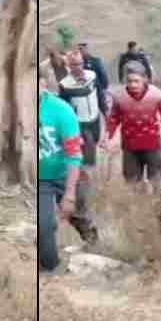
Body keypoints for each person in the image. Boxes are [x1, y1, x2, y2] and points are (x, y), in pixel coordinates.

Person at [104, 61, 161, 194]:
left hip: (152, 145)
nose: (132, 85)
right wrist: (107, 136)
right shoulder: (120, 97)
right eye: (129, 81)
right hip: (130, 147)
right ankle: (139, 207)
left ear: (145, 79)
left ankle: (156, 208)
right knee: (132, 183)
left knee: (158, 182)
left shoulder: (156, 95)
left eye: (136, 81)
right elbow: (114, 119)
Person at [37, 73, 85, 274]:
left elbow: (74, 154)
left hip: (66, 174)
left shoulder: (61, 110)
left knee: (82, 217)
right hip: (41, 180)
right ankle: (50, 268)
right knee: (45, 224)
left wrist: (69, 193)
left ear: (43, 83)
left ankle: (98, 251)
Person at [56, 49, 105, 246]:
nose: (78, 68)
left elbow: (100, 98)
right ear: (68, 66)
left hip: (94, 123)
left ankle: (86, 193)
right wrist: (75, 134)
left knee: (90, 165)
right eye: (73, 65)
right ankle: (82, 199)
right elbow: (66, 112)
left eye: (80, 63)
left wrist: (107, 124)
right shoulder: (65, 85)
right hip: (80, 127)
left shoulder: (92, 76)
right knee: (86, 168)